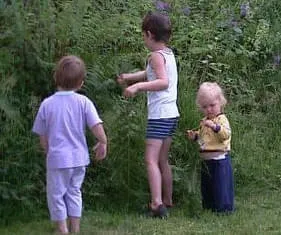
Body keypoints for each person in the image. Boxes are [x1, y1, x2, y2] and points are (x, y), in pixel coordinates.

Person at [32, 55, 107, 234]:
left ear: (55, 77)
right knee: (74, 192)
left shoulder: (47, 104)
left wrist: (47, 151)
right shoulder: (83, 102)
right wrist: (103, 141)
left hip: (57, 159)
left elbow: (42, 134)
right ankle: (75, 228)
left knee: (56, 195)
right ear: (81, 83)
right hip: (79, 158)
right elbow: (96, 125)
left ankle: (62, 229)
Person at [116, 12, 179, 218]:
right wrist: (129, 78)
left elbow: (162, 81)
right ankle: (168, 201)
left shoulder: (155, 56)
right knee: (162, 160)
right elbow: (149, 73)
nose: (143, 39)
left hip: (160, 115)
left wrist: (137, 88)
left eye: (143, 35)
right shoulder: (167, 54)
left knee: (150, 160)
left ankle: (156, 204)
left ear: (150, 34)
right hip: (171, 115)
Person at [186, 82, 234, 213]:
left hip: (219, 158)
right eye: (205, 107)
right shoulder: (204, 121)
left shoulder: (221, 120)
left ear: (220, 102)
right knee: (207, 185)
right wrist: (195, 136)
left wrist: (214, 127)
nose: (209, 109)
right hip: (206, 159)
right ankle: (209, 206)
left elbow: (225, 135)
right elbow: (204, 139)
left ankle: (224, 208)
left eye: (212, 105)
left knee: (221, 184)